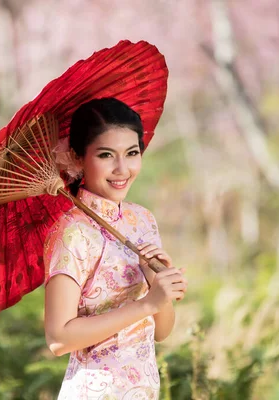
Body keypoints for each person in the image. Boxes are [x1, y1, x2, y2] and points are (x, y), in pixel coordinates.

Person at [43, 97, 188, 399]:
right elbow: (58, 338)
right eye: (107, 155)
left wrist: (156, 283)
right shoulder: (73, 233)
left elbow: (161, 332)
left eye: (132, 153)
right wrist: (147, 304)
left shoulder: (142, 220)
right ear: (77, 157)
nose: (122, 169)